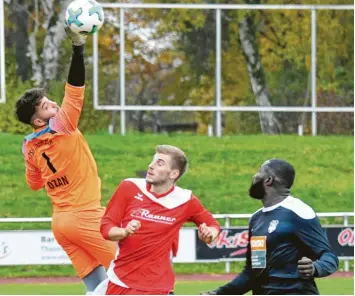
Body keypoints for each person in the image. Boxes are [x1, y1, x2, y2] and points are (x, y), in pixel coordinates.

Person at [14, 26, 116, 294]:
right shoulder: (63, 126)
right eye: (47, 106)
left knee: (97, 286)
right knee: (136, 268)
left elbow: (34, 184)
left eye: (51, 101)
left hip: (61, 223)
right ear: (39, 120)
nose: (55, 106)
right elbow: (75, 88)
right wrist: (78, 48)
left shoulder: (29, 147)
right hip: (86, 216)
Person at [203, 159, 338, 295]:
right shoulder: (256, 219)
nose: (254, 176)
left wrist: (315, 267)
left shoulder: (299, 211)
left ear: (268, 180)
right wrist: (219, 293)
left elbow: (329, 257)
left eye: (258, 171)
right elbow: (252, 272)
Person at [100, 145, 221, 295]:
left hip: (159, 287)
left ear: (173, 174)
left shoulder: (185, 200)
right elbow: (106, 227)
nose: (151, 166)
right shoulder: (129, 187)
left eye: (160, 163)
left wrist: (209, 235)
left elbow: (213, 225)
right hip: (120, 281)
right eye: (153, 161)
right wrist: (124, 232)